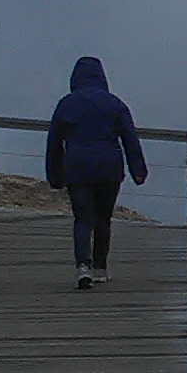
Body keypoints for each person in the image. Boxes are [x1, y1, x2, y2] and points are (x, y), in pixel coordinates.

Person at [44, 56, 149, 289]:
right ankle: (100, 267)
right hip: (109, 168)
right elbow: (130, 139)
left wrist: (55, 174)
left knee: (82, 218)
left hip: (77, 167)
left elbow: (54, 142)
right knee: (103, 218)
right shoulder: (115, 104)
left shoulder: (66, 104)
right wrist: (138, 171)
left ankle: (83, 266)